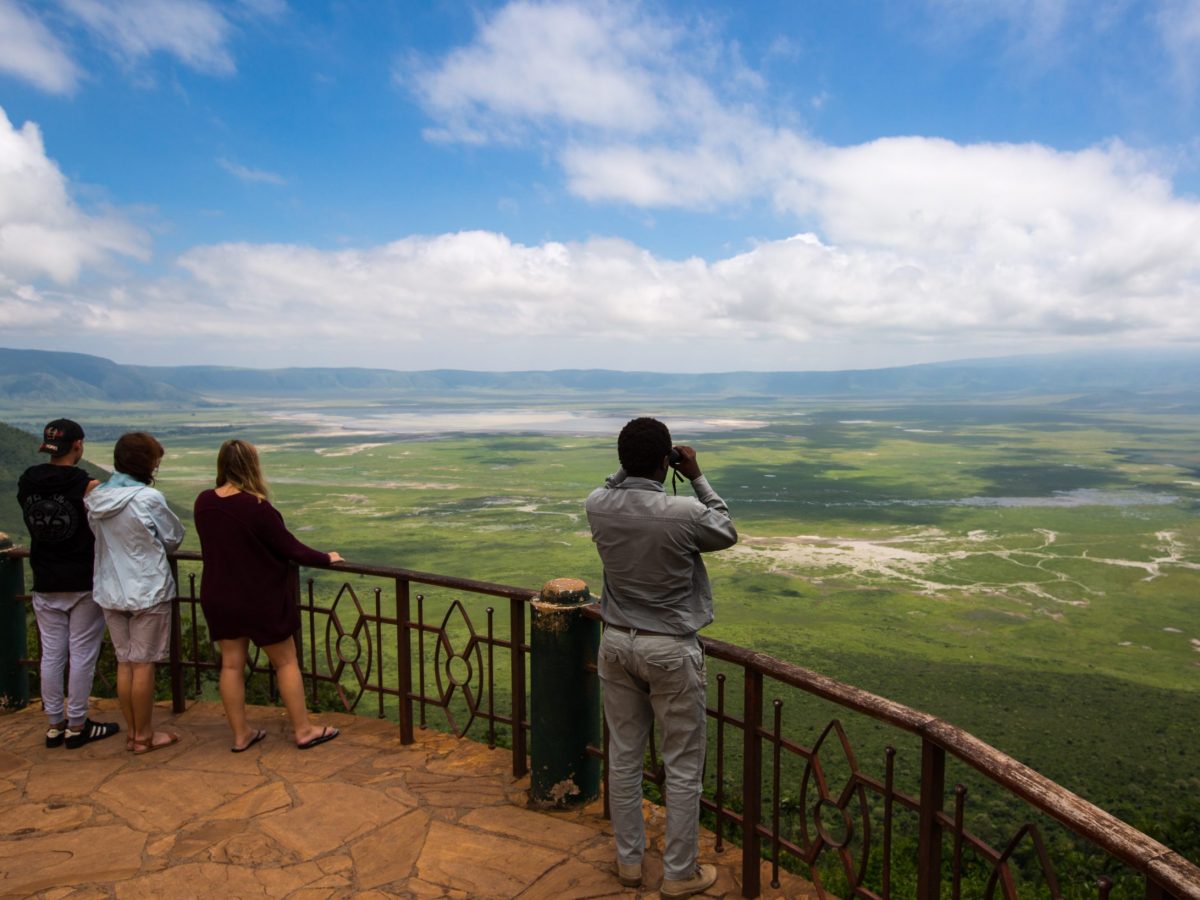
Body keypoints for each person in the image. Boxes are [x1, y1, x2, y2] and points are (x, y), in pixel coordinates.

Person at [585, 417, 737, 899]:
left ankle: (629, 864)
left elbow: (614, 485)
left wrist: (629, 470)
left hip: (616, 642)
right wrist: (694, 473)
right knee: (683, 765)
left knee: (624, 759)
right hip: (670, 648)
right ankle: (679, 873)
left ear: (622, 459)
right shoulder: (685, 513)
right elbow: (726, 529)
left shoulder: (598, 505)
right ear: (664, 459)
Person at [192, 439, 343, 752]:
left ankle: (240, 734)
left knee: (231, 665)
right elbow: (290, 547)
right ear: (252, 466)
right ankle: (303, 730)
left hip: (218, 595)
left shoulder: (203, 502)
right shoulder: (256, 507)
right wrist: (326, 558)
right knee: (286, 663)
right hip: (258, 597)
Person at [16, 419, 120, 750]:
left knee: (52, 654)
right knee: (82, 654)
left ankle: (54, 725)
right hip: (82, 579)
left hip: (45, 578)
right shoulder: (86, 485)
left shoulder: (27, 482)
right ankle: (77, 725)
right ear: (78, 445)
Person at [86, 432, 185, 754]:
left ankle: (132, 733)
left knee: (125, 663)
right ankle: (144, 736)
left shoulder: (97, 497)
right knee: (143, 665)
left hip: (109, 588)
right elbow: (172, 538)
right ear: (147, 463)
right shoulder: (147, 499)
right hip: (147, 588)